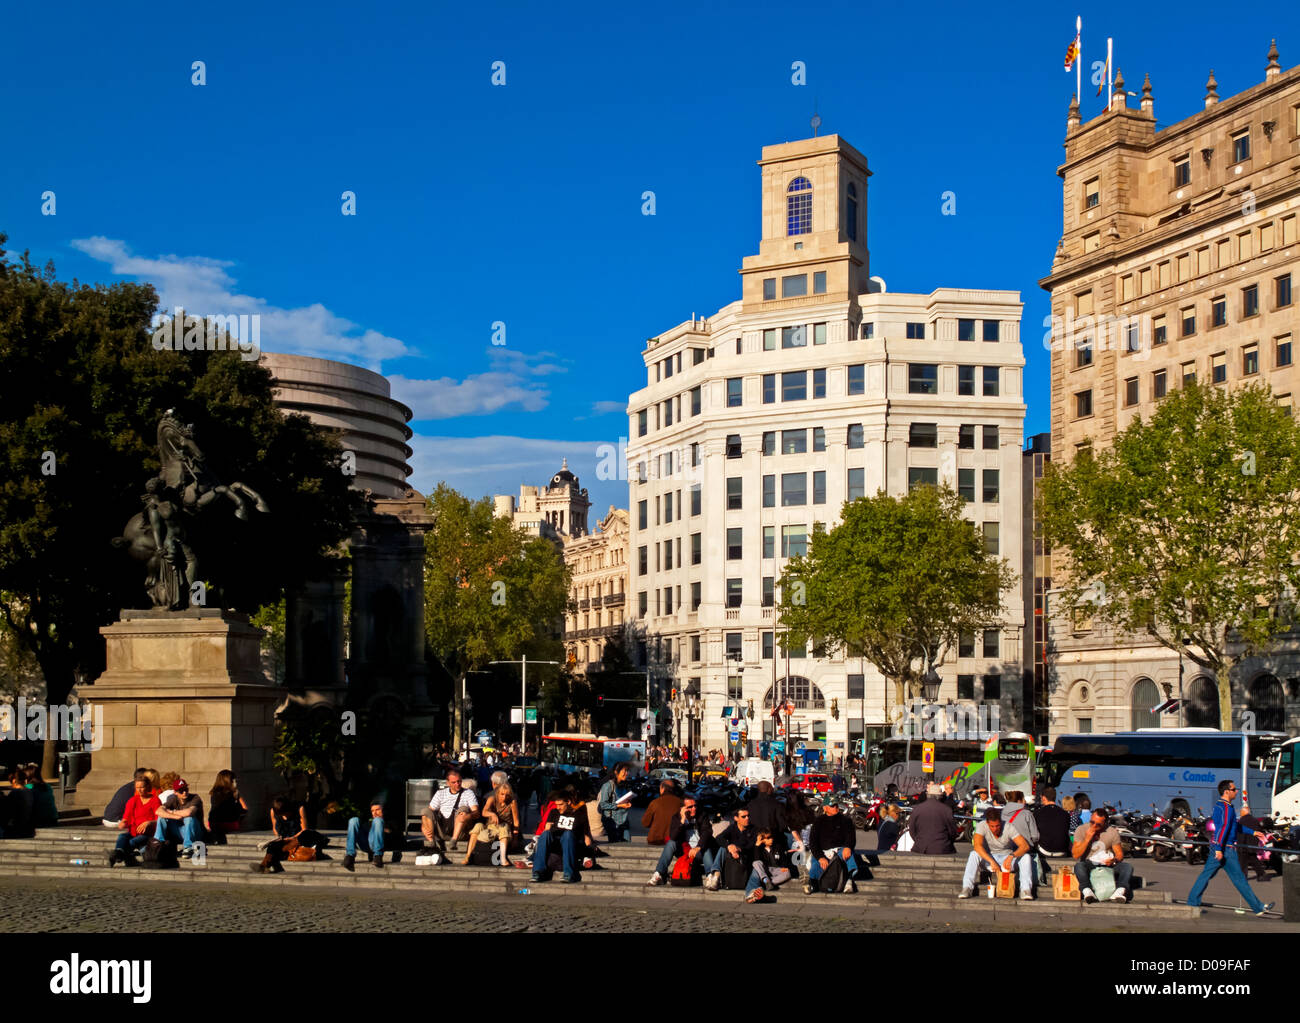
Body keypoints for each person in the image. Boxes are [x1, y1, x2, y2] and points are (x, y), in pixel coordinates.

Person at [1186, 779, 1275, 916]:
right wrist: (1219, 849)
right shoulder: (1226, 808)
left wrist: (1253, 832)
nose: (1236, 791)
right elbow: (1223, 828)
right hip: (1225, 849)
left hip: (1220, 847)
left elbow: (1234, 825)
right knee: (1238, 880)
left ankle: (1192, 902)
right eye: (1234, 789)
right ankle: (1258, 907)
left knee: (1207, 876)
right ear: (1226, 791)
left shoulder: (1221, 806)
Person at [959, 807, 1035, 900]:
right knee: (973, 854)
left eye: (998, 826)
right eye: (992, 826)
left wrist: (1012, 856)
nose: (995, 829)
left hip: (1007, 859)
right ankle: (967, 888)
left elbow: (1024, 846)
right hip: (989, 859)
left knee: (1026, 857)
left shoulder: (1008, 826)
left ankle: (1025, 890)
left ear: (1001, 822)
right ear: (987, 823)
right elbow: (977, 846)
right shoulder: (982, 825)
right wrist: (991, 861)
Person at [645, 795, 715, 886]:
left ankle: (710, 876)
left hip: (698, 851)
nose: (694, 808)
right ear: (683, 809)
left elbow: (707, 832)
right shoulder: (677, 818)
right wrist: (682, 821)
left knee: (706, 846)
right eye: (690, 807)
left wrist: (698, 847)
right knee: (671, 843)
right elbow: (673, 836)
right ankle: (659, 874)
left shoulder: (702, 815)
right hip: (684, 850)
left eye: (695, 806)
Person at [1070, 807, 1132, 903]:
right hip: (1089, 863)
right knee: (1079, 866)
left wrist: (1114, 860)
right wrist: (1087, 839)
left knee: (1127, 867)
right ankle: (1087, 891)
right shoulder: (1081, 829)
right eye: (1092, 822)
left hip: (1107, 864)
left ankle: (1120, 891)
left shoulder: (1111, 832)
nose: (1094, 826)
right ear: (1090, 818)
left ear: (1105, 823)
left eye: (1098, 824)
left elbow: (1119, 854)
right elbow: (1075, 855)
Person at [530, 790, 594, 883]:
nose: (558, 807)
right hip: (556, 843)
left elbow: (586, 836)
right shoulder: (554, 812)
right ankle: (538, 872)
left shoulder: (579, 814)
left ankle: (569, 874)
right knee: (545, 833)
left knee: (567, 834)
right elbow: (547, 829)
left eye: (560, 804)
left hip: (571, 843)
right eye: (556, 805)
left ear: (568, 802)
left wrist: (590, 851)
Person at [803, 796, 859, 894]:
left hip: (840, 850)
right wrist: (820, 857)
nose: (836, 808)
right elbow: (813, 843)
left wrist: (848, 847)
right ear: (825, 808)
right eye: (832, 806)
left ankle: (849, 880)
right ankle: (812, 883)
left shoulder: (846, 820)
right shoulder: (818, 821)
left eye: (836, 805)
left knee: (848, 854)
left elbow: (851, 837)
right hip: (823, 851)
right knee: (816, 863)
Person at [253, 797, 320, 873]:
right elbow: (275, 828)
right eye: (281, 814)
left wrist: (291, 838)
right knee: (273, 845)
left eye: (285, 813)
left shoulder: (300, 808)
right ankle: (263, 866)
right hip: (284, 838)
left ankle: (264, 866)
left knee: (280, 847)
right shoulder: (273, 811)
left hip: (298, 837)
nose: (284, 816)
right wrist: (279, 837)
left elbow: (304, 829)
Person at [420, 769, 480, 854]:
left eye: (459, 781)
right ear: (448, 783)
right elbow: (428, 813)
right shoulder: (440, 793)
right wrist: (424, 826)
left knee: (463, 809)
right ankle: (431, 842)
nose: (457, 784)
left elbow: (476, 813)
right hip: (443, 828)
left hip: (461, 830)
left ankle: (454, 840)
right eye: (454, 782)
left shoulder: (468, 793)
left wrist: (468, 816)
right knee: (425, 811)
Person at [463, 781, 519, 866]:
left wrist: (515, 838)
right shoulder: (492, 799)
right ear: (498, 793)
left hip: (505, 830)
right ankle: (468, 856)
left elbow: (516, 821)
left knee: (504, 826)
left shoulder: (512, 802)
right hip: (491, 828)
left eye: (507, 795)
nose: (504, 797)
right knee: (478, 826)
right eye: (502, 794)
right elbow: (484, 812)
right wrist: (492, 814)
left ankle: (503, 859)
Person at [108, 775, 160, 866]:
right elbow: (126, 817)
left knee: (133, 842)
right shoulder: (133, 800)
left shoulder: (155, 800)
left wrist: (149, 823)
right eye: (137, 788)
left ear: (148, 787)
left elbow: (160, 819)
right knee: (122, 836)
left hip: (148, 833)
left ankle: (117, 856)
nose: (139, 790)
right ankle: (120, 854)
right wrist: (123, 823)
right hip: (134, 831)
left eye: (142, 787)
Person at [704, 807, 755, 892]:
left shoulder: (753, 829)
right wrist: (729, 846)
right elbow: (719, 837)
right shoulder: (732, 827)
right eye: (744, 816)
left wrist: (737, 848)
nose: (747, 818)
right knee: (723, 848)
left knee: (725, 848)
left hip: (746, 857)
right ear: (736, 818)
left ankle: (715, 875)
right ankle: (716, 875)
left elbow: (751, 845)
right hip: (732, 857)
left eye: (748, 816)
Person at [153, 778, 204, 857]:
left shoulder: (195, 798)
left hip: (195, 832)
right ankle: (158, 843)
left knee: (189, 818)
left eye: (186, 789)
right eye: (181, 791)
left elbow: (189, 812)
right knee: (161, 817)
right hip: (179, 831)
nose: (184, 792)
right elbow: (158, 811)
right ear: (175, 792)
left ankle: (188, 847)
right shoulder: (172, 798)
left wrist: (171, 812)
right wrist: (176, 817)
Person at [906, 783, 958, 855]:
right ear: (940, 796)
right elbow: (953, 831)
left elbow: (912, 829)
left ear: (927, 794)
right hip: (942, 848)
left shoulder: (917, 808)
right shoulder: (946, 810)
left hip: (920, 847)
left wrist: (919, 840)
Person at [1032, 786, 1073, 870]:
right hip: (1062, 850)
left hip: (1044, 850)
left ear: (1043, 798)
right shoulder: (1065, 814)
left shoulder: (1037, 813)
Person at [744, 781, 790, 854]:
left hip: (754, 840)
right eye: (772, 788)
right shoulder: (777, 804)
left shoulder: (750, 804)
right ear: (769, 789)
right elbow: (782, 825)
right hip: (772, 841)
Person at [344, 799, 387, 870]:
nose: (374, 813)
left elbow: (396, 835)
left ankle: (378, 856)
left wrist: (381, 829)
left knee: (378, 820)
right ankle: (349, 855)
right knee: (353, 820)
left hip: (378, 845)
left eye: (377, 810)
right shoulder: (369, 822)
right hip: (365, 844)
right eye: (372, 811)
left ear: (383, 810)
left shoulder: (390, 822)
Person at [597, 763, 634, 842]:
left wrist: (628, 802)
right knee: (616, 845)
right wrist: (619, 805)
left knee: (627, 843)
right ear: (616, 772)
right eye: (624, 771)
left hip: (624, 820)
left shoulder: (625, 785)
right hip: (612, 822)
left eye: (627, 771)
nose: (626, 773)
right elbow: (603, 804)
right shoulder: (608, 786)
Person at [207, 770, 248, 837]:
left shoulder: (213, 793)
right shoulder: (232, 794)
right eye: (233, 780)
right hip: (229, 824)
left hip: (213, 824)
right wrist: (238, 797)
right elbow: (244, 809)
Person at [641, 780, 683, 845]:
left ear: (662, 788)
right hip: (674, 840)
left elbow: (645, 823)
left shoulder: (655, 802)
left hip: (655, 840)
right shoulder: (680, 803)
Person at [0, 768, 36, 839]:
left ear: (14, 781)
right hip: (28, 827)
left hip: (16, 827)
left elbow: (7, 811)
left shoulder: (15, 793)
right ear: (25, 781)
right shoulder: (29, 791)